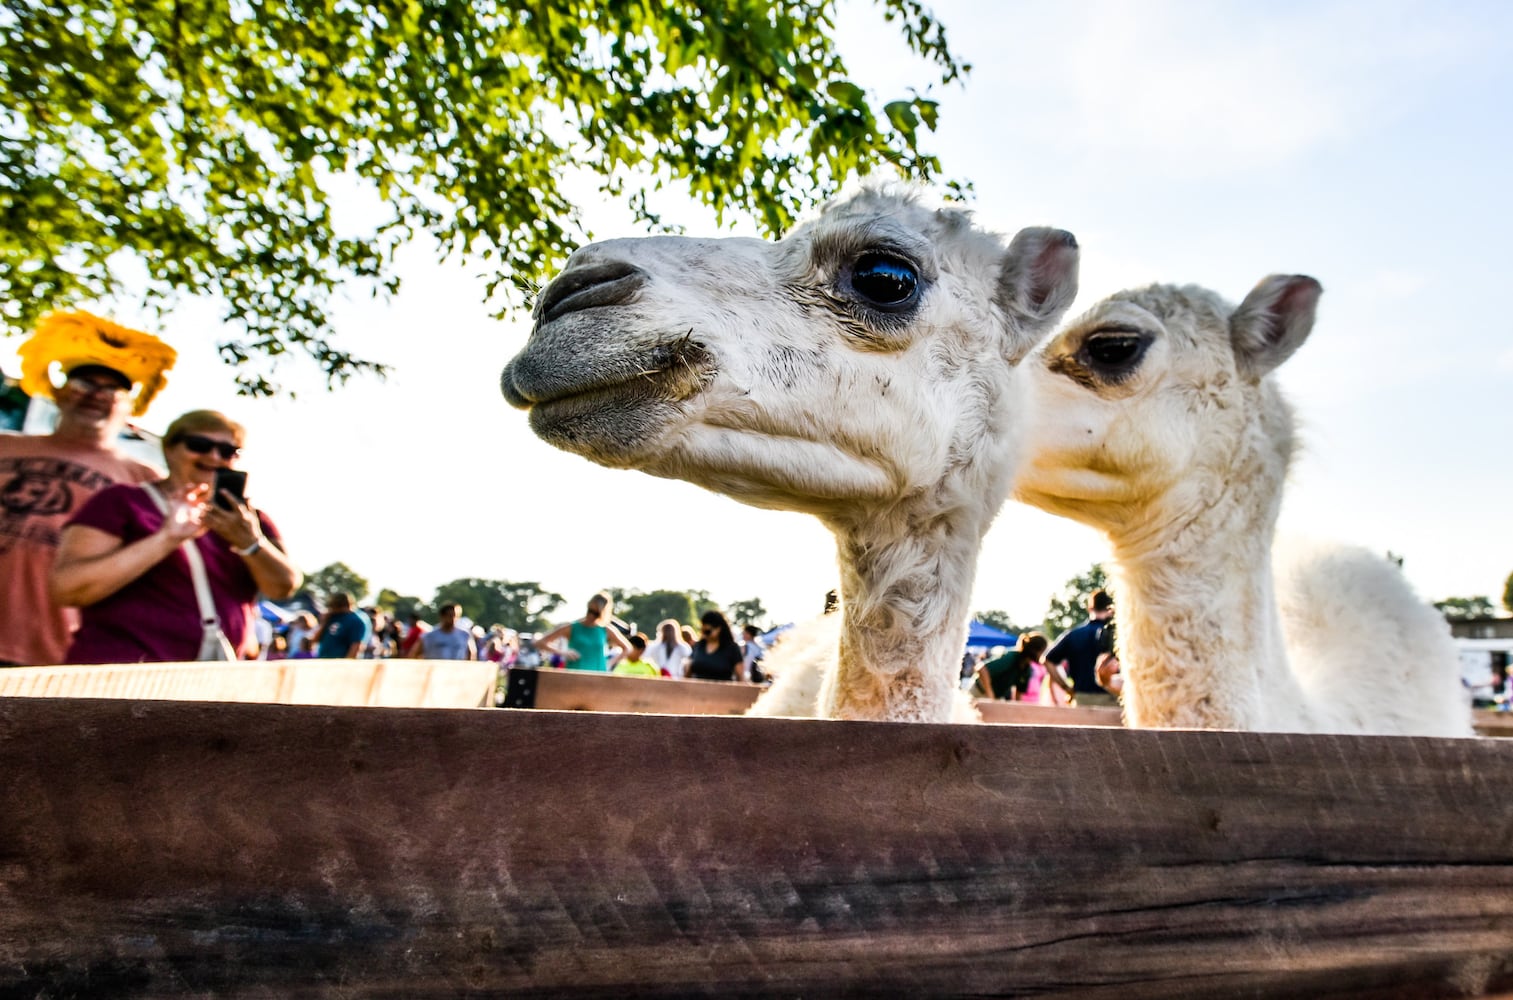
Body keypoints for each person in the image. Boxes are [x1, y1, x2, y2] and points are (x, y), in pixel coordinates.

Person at [50, 409, 301, 663]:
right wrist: (167, 538)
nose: (214, 456)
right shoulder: (122, 501)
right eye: (199, 445)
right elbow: (70, 588)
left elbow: (283, 587)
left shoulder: (251, 520)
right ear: (169, 449)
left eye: (228, 451)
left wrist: (251, 543)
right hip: (119, 674)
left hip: (206, 684)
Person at [0, 326, 173, 665]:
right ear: (60, 393)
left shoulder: (144, 481)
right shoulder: (4, 445)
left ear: (130, 408)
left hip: (57, 652)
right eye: (84, 384)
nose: (96, 395)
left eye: (112, 391)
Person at [1044, 589, 1117, 707]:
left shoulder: (1073, 635)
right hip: (1115, 699)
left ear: (1089, 608)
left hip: (1083, 700)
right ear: (1111, 608)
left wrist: (1066, 688)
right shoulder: (1119, 635)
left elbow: (1047, 660)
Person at [535, 592, 632, 672]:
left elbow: (627, 648)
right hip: (574, 674)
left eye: (596, 613)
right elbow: (540, 643)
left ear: (603, 613)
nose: (591, 615)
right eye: (590, 611)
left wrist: (611, 662)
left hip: (598, 675)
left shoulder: (605, 629)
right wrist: (563, 653)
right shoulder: (572, 627)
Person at [976, 632, 1050, 701]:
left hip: (996, 697)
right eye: (1042, 651)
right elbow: (982, 669)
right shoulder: (1012, 657)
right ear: (1035, 650)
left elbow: (1019, 694)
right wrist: (990, 694)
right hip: (979, 691)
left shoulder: (1027, 670)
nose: (1042, 655)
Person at [687, 609, 745, 682]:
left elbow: (740, 677)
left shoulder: (732, 648)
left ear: (719, 629)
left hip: (723, 691)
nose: (704, 634)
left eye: (707, 631)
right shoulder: (698, 646)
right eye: (702, 630)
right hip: (697, 691)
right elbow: (688, 672)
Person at [316, 592, 371, 659]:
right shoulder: (332, 617)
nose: (331, 609)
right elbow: (316, 640)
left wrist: (346, 665)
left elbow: (356, 646)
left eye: (333, 606)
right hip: (323, 660)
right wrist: (324, 622)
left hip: (340, 664)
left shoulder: (356, 621)